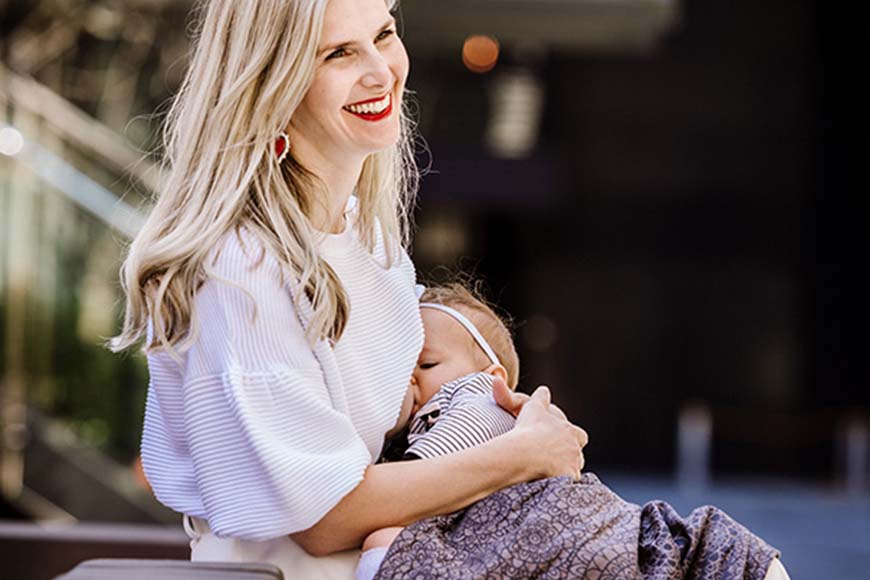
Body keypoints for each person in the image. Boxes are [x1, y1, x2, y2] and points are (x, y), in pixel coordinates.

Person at [109, 0, 587, 578]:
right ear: (272, 83)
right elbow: (324, 518)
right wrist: (519, 455)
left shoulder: (370, 243)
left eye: (383, 34)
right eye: (339, 53)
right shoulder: (241, 266)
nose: (382, 72)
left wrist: (488, 408)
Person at [355, 283, 792, 580]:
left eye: (427, 365)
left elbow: (426, 474)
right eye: (401, 369)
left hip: (551, 520)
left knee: (386, 540)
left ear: (495, 375)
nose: (411, 379)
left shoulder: (480, 399)